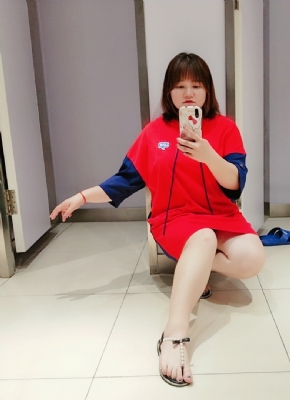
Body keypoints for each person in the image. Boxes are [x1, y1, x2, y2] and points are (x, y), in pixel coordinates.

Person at [50, 52, 266, 387]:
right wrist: (82, 197)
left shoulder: (226, 129)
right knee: (203, 237)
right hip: (175, 218)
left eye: (197, 85)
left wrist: (208, 155)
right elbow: (123, 181)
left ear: (208, 90)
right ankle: (174, 335)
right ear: (169, 92)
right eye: (180, 86)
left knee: (252, 258)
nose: (188, 93)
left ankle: (197, 267)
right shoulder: (153, 133)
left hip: (221, 215)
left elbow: (236, 183)